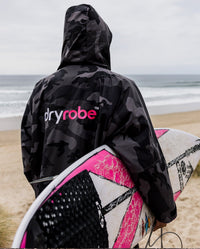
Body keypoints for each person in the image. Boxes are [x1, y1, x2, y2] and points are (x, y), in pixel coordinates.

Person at [21, 4, 176, 236]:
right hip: (104, 216)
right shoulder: (120, 88)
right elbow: (143, 157)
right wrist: (164, 211)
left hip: (51, 217)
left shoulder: (42, 89)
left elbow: (30, 156)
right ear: (103, 41)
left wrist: (43, 194)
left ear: (67, 40)